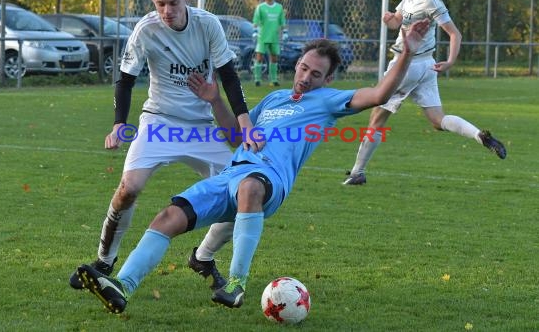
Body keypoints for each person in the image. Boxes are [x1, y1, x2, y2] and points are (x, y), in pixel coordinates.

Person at [75, 19, 431, 314]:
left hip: (268, 181)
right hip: (233, 172)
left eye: (316, 74)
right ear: (298, 65)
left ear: (328, 80)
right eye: (304, 68)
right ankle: (122, 285)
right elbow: (234, 136)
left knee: (249, 188)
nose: (306, 77)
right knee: (167, 217)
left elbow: (380, 94)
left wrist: (408, 52)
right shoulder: (275, 99)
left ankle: (236, 283)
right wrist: (215, 99)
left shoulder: (330, 102)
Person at [68, 0, 261, 290]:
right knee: (129, 188)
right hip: (159, 122)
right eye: (160, 4)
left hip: (201, 126)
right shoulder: (146, 30)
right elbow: (125, 80)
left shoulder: (208, 25)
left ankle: (203, 256)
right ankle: (104, 259)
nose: (167, 11)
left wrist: (244, 121)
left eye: (173, 3)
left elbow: (228, 75)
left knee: (243, 192)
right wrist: (119, 124)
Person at [343, 0, 506, 186]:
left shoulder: (432, 1)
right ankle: (479, 136)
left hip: (407, 65)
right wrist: (388, 19)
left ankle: (358, 172)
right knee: (437, 121)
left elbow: (454, 34)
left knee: (376, 119)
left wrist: (450, 61)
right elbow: (396, 22)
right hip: (425, 66)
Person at [252, 0, 287, 87]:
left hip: (274, 37)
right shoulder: (260, 7)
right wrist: (255, 31)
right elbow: (256, 21)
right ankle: (257, 80)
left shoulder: (279, 7)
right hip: (262, 37)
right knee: (259, 58)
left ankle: (274, 80)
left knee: (274, 58)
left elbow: (282, 21)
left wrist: (285, 33)